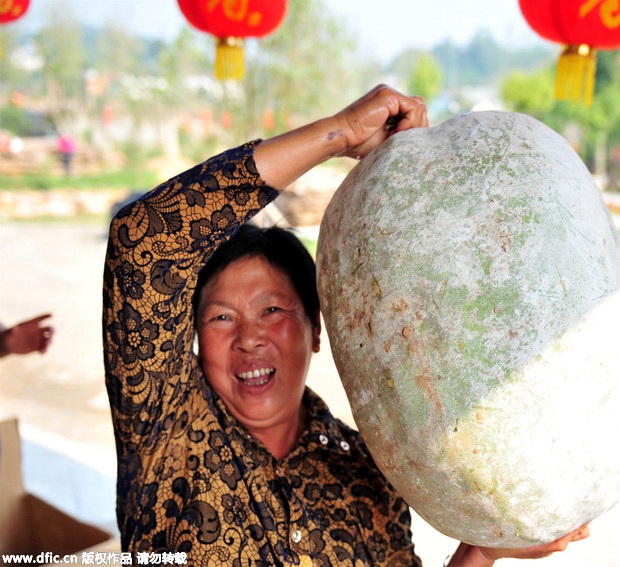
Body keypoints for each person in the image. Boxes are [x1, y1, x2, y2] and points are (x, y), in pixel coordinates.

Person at [103, 84, 589, 565]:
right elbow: (143, 242)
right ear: (194, 337)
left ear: (317, 330)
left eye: (273, 311)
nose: (249, 338)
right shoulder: (165, 430)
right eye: (222, 318)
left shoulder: (366, 472)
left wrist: (480, 550)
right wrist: (340, 134)